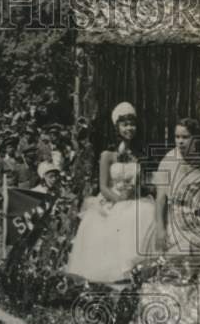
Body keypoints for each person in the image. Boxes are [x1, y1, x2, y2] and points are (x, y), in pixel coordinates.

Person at [66, 102, 156, 281]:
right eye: (125, 124)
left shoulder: (139, 154)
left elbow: (142, 182)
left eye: (132, 124)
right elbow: (103, 186)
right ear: (117, 127)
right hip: (111, 200)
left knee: (147, 212)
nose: (129, 128)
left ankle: (136, 270)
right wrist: (118, 200)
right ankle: (119, 272)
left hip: (133, 198)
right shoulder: (107, 155)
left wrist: (135, 191)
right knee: (116, 219)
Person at [154, 117, 200, 256]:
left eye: (185, 137)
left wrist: (198, 216)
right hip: (173, 220)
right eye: (177, 137)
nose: (180, 141)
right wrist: (160, 229)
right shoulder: (168, 161)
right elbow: (160, 199)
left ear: (195, 138)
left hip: (195, 220)